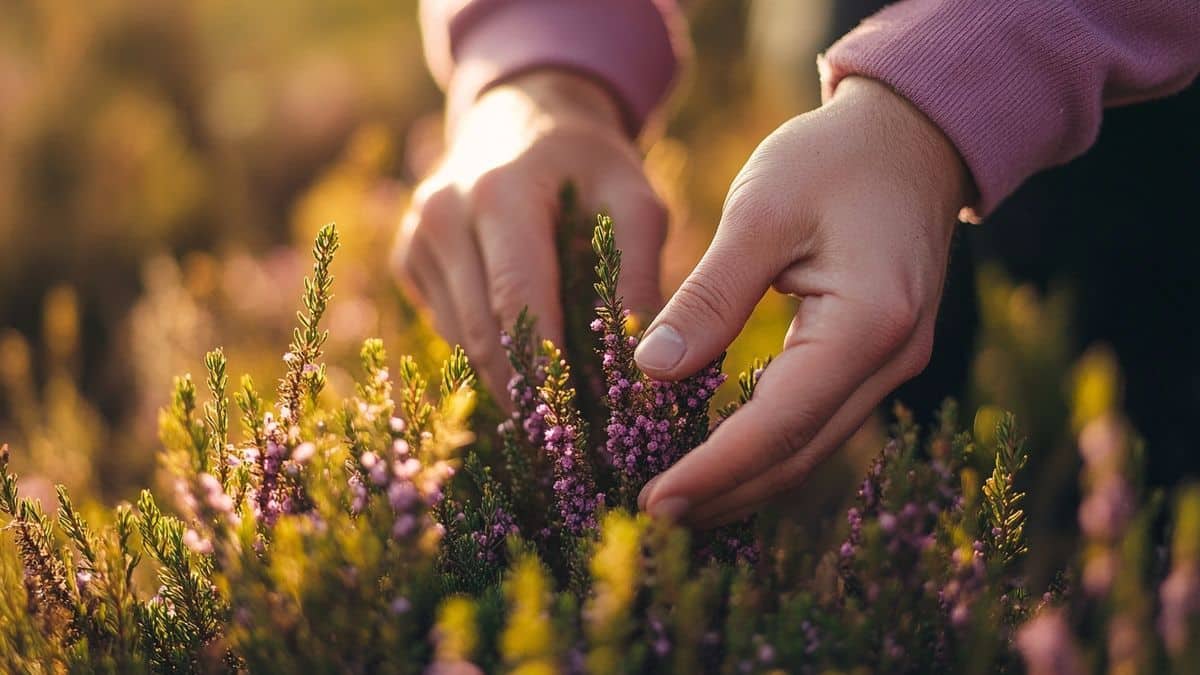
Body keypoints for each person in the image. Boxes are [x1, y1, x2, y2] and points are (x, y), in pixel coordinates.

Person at [395, 0, 1200, 527]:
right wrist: (539, 66)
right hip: (844, 48)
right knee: (910, 448)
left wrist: (959, 74)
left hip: (1154, 106)